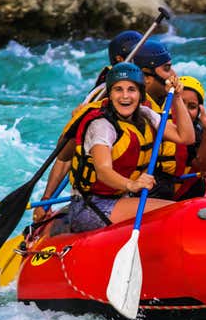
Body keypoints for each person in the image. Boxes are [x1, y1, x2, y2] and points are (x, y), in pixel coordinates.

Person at [65, 62, 194, 233]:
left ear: (141, 94)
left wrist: (177, 98)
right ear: (109, 95)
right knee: (175, 212)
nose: (125, 96)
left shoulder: (146, 114)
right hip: (91, 206)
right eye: (118, 89)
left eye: (131, 89)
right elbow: (103, 170)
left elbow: (186, 137)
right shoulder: (102, 126)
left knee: (177, 212)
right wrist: (132, 185)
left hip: (120, 198)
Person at [33, 29, 144, 222]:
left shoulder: (148, 98)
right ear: (120, 60)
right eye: (139, 56)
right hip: (101, 199)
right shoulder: (99, 99)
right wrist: (47, 199)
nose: (144, 63)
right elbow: (65, 156)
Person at [132, 39, 196, 199]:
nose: (174, 75)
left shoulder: (163, 101)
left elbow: (188, 138)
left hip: (163, 182)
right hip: (138, 187)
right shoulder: (134, 107)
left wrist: (177, 97)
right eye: (167, 68)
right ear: (146, 77)